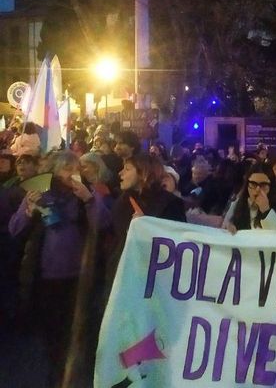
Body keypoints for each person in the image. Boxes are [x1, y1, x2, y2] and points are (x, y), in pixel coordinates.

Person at [8, 151, 110, 385]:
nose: (73, 174)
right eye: (67, 169)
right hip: (46, 277)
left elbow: (103, 223)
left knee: (74, 333)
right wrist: (28, 210)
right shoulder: (39, 192)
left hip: (78, 277)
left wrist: (89, 199)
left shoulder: (84, 193)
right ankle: (56, 373)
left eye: (76, 169)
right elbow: (14, 229)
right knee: (51, 333)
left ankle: (70, 376)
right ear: (54, 170)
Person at [107, 154, 187, 285]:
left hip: (154, 278)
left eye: (127, 169)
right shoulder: (122, 201)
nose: (120, 173)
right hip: (122, 274)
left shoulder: (169, 202)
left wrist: (148, 228)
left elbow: (179, 241)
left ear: (143, 172)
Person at [223, 164, 276, 232]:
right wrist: (229, 229)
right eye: (253, 184)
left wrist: (266, 211)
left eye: (263, 185)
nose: (257, 189)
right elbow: (224, 229)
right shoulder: (238, 204)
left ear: (271, 187)